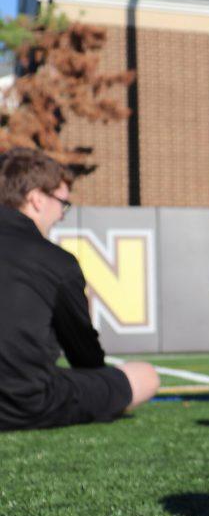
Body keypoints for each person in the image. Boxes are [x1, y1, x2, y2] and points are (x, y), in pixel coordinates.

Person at [0, 147, 158, 430]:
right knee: (145, 376)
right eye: (62, 203)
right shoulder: (54, 261)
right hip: (22, 404)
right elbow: (84, 356)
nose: (62, 214)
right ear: (36, 199)